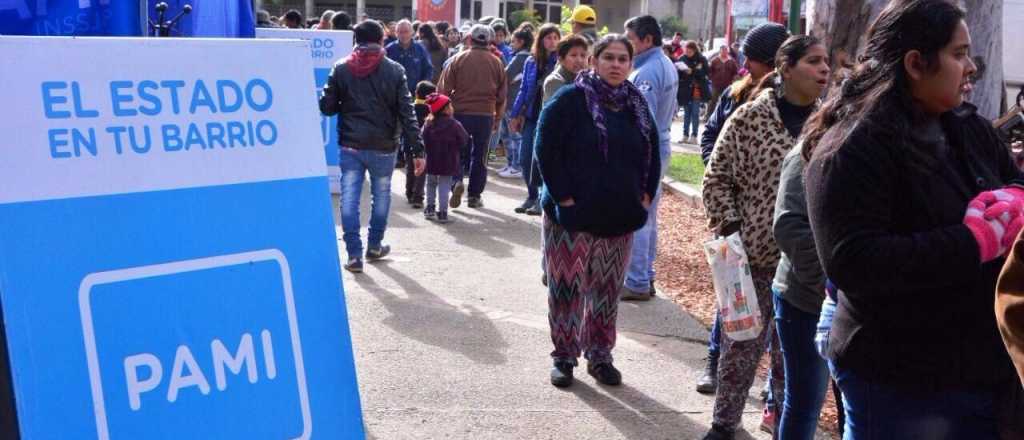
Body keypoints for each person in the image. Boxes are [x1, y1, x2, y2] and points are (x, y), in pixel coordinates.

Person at [804, 0, 1024, 437]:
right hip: (899, 381)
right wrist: (973, 240)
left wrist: (1014, 202)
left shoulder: (968, 128)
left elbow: (1011, 183)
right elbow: (853, 261)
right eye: (958, 55)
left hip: (980, 371)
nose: (970, 69)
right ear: (916, 64)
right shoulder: (850, 150)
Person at [700, 34, 830, 440]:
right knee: (739, 348)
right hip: (751, 259)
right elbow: (716, 178)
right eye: (813, 61)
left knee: (790, 359)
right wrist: (733, 229)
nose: (824, 69)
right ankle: (724, 423)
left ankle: (780, 421)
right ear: (785, 68)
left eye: (826, 62)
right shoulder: (749, 118)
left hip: (805, 267)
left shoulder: (831, 124)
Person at [535, 34, 661, 388]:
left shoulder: (637, 105)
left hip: (618, 217)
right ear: (594, 60)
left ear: (630, 64)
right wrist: (564, 199)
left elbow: (653, 153)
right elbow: (546, 150)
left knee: (606, 294)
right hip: (571, 218)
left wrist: (645, 197)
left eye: (623, 59)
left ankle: (600, 355)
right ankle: (564, 356)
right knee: (567, 290)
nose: (616, 64)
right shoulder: (569, 100)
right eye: (609, 57)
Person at [695, 22, 789, 397]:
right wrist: (716, 171)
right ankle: (715, 363)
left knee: (779, 320)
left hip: (780, 231)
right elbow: (710, 136)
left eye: (752, 60)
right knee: (732, 303)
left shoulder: (800, 105)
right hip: (735, 223)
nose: (745, 67)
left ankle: (772, 389)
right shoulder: (736, 97)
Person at [319, 20, 425, 273]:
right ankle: (375, 245)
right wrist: (418, 150)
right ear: (381, 40)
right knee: (381, 196)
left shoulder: (341, 68)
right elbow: (407, 112)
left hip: (351, 145)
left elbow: (327, 106)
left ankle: (354, 255)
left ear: (355, 40)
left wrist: (345, 98)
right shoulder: (395, 70)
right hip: (384, 146)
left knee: (349, 199)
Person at [620, 15, 679, 301]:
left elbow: (643, 122)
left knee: (639, 217)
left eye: (630, 38)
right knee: (649, 217)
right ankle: (646, 276)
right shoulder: (664, 63)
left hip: (647, 150)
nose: (626, 44)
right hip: (660, 145)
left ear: (647, 40)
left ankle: (637, 280)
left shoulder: (645, 73)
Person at [437, 24, 507, 209]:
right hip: (485, 114)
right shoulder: (497, 62)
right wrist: (497, 117)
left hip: (459, 113)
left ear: (469, 39)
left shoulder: (457, 59)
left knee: (456, 151)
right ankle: (474, 196)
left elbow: (443, 90)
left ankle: (457, 181)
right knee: (481, 155)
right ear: (490, 41)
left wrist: (445, 111)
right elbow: (502, 96)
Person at [509, 24, 561, 215]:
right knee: (524, 158)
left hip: (549, 118)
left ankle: (541, 199)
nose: (552, 41)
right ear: (541, 40)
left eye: (556, 37)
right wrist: (515, 114)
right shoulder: (531, 61)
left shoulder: (561, 61)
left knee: (540, 159)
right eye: (548, 37)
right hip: (531, 116)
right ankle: (531, 196)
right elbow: (523, 90)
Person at [421, 93, 469, 225]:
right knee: (444, 185)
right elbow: (464, 140)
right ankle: (443, 213)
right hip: (449, 160)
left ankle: (430, 208)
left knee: (430, 184)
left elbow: (422, 139)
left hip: (431, 160)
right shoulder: (455, 124)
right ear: (446, 109)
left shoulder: (428, 124)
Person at [497, 29, 535, 179]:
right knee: (506, 135)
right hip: (511, 101)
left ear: (521, 42)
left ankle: (516, 166)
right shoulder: (527, 56)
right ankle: (511, 163)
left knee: (513, 136)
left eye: (513, 41)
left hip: (512, 101)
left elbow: (505, 75)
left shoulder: (521, 57)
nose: (511, 44)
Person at [675, 40, 710, 144]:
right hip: (685, 90)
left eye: (690, 50)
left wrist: (693, 71)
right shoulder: (682, 58)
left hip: (697, 89)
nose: (688, 52)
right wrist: (685, 72)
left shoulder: (701, 59)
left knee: (695, 113)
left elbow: (706, 72)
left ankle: (694, 136)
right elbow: (678, 74)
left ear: (695, 50)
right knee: (686, 113)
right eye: (686, 50)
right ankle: (685, 135)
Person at [541, 35, 589, 102]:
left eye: (583, 55)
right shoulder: (554, 81)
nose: (579, 60)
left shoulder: (587, 79)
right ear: (561, 59)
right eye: (573, 55)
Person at [707, 45, 739, 121]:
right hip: (716, 85)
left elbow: (735, 72)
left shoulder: (731, 61)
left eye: (725, 50)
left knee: (726, 101)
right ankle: (708, 116)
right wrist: (712, 78)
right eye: (722, 50)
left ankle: (724, 117)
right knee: (712, 101)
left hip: (727, 85)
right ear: (720, 51)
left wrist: (735, 80)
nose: (724, 52)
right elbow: (709, 71)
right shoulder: (714, 60)